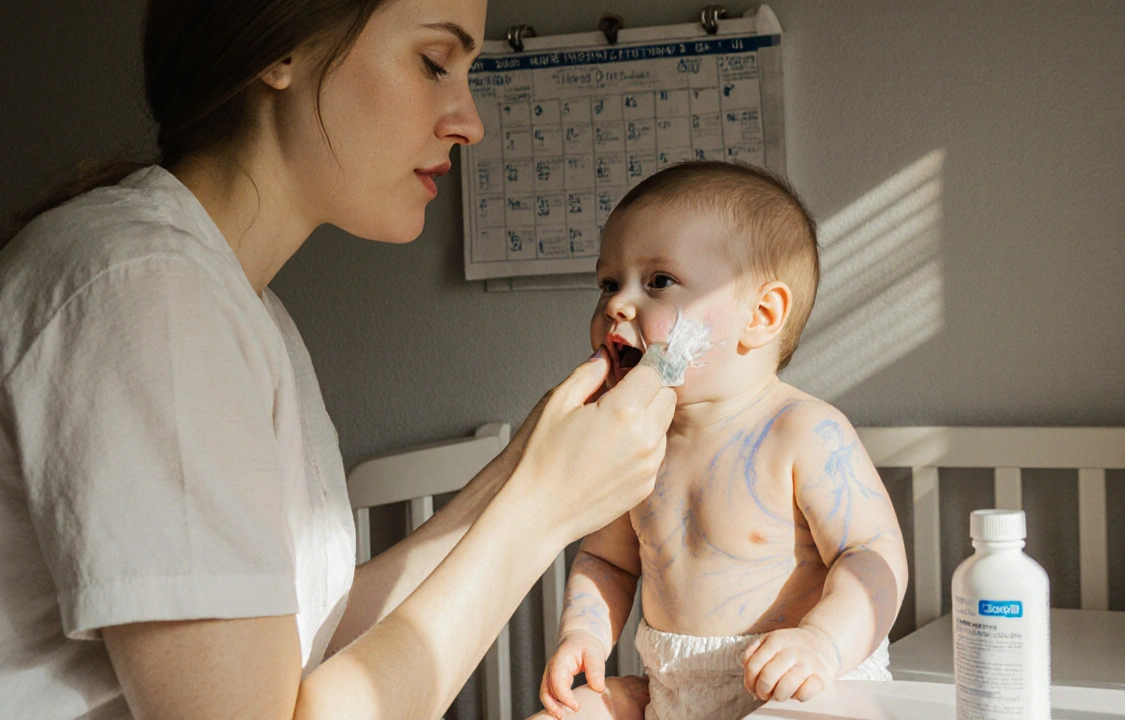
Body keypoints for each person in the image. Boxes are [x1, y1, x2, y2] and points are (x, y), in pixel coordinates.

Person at [0, 0, 675, 718]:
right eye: (433, 63)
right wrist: (543, 508)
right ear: (282, 49)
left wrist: (527, 465)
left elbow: (309, 645)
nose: (469, 122)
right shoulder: (146, 291)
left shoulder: (239, 305)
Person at [535, 162, 909, 720]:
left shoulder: (801, 431)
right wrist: (584, 632)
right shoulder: (635, 441)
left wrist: (823, 644)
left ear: (761, 315)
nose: (616, 304)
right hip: (671, 689)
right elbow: (607, 561)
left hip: (795, 692)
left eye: (657, 281)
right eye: (610, 283)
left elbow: (873, 557)